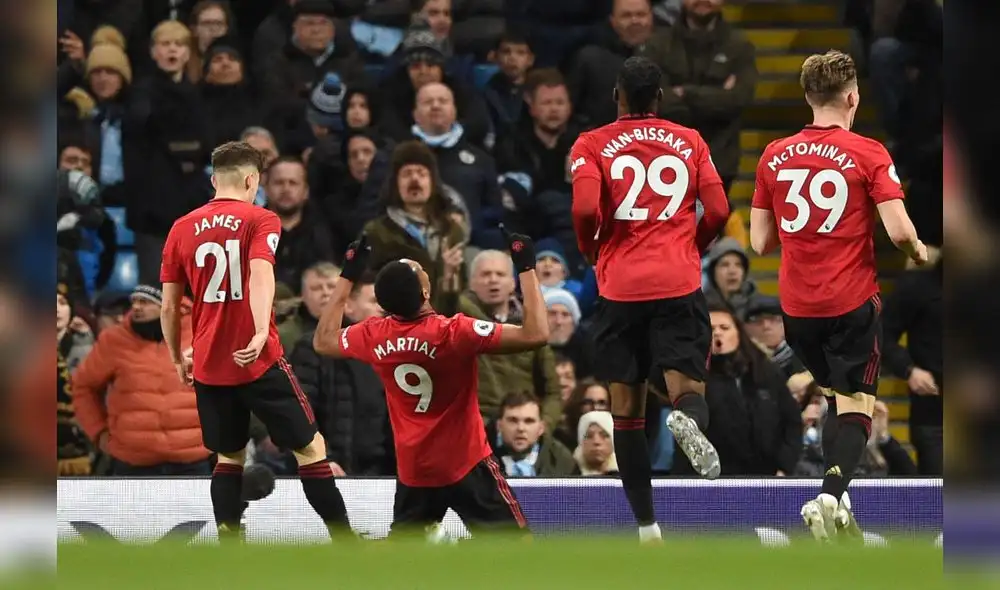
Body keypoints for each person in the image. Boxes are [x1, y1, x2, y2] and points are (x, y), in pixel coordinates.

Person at [748, 50, 929, 543]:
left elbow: (759, 242)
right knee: (857, 407)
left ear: (808, 98)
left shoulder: (772, 155)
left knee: (833, 400)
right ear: (853, 97)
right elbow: (897, 231)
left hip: (796, 309)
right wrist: (917, 249)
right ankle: (829, 495)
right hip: (849, 303)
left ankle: (842, 515)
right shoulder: (869, 152)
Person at [568, 55, 730, 543]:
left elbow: (581, 208)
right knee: (688, 391)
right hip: (677, 283)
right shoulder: (691, 140)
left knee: (628, 413)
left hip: (620, 287)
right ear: (659, 97)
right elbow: (719, 208)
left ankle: (646, 527)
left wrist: (591, 250)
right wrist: (692, 246)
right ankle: (685, 418)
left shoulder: (591, 143)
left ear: (617, 95)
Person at [159, 141, 352, 542]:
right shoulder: (261, 219)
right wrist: (261, 328)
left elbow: (168, 306)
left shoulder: (180, 227)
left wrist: (178, 357)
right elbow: (261, 273)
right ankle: (346, 542)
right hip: (259, 359)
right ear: (252, 180)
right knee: (311, 449)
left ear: (214, 180)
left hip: (210, 365)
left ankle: (230, 542)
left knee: (227, 458)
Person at [312, 225, 550, 538]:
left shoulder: (372, 334)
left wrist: (347, 276)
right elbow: (536, 334)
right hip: (466, 463)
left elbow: (323, 341)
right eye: (420, 270)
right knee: (516, 552)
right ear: (425, 292)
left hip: (415, 471)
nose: (421, 267)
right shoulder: (454, 332)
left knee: (404, 564)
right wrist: (526, 268)